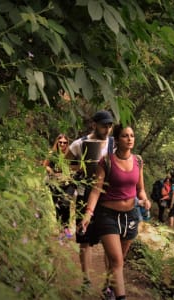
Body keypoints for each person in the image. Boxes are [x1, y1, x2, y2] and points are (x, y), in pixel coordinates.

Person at [81, 123, 151, 300]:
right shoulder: (106, 162)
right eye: (125, 136)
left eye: (132, 136)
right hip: (108, 216)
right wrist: (88, 213)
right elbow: (96, 190)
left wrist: (145, 200)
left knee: (117, 262)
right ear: (117, 139)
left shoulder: (138, 161)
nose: (129, 139)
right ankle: (121, 296)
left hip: (132, 216)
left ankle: (108, 289)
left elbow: (140, 189)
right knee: (117, 261)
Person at [65, 110, 114, 291]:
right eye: (104, 125)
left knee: (109, 240)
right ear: (94, 124)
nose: (107, 129)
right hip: (85, 194)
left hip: (107, 195)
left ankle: (108, 286)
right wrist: (81, 167)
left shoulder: (113, 145)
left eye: (110, 125)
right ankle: (86, 281)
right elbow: (64, 164)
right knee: (84, 239)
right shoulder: (80, 144)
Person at [43, 134, 75, 238]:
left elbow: (76, 167)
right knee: (58, 206)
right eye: (60, 142)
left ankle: (66, 228)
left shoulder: (71, 154)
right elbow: (45, 165)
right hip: (55, 183)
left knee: (65, 204)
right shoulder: (53, 153)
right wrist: (51, 171)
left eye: (64, 142)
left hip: (68, 183)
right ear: (57, 143)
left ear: (67, 143)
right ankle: (62, 230)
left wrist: (69, 175)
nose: (62, 144)